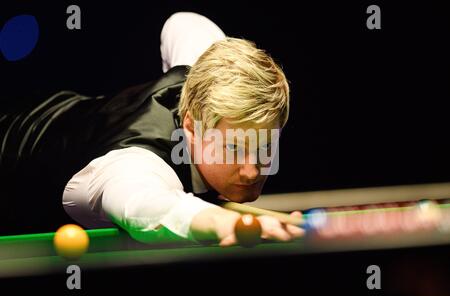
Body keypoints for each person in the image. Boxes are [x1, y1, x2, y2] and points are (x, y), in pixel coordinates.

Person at [1, 12, 303, 245]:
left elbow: (185, 22)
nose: (252, 172)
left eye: (264, 145)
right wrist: (222, 223)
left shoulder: (205, 73)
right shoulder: (133, 166)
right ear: (191, 128)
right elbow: (152, 209)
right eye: (234, 148)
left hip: (66, 109)